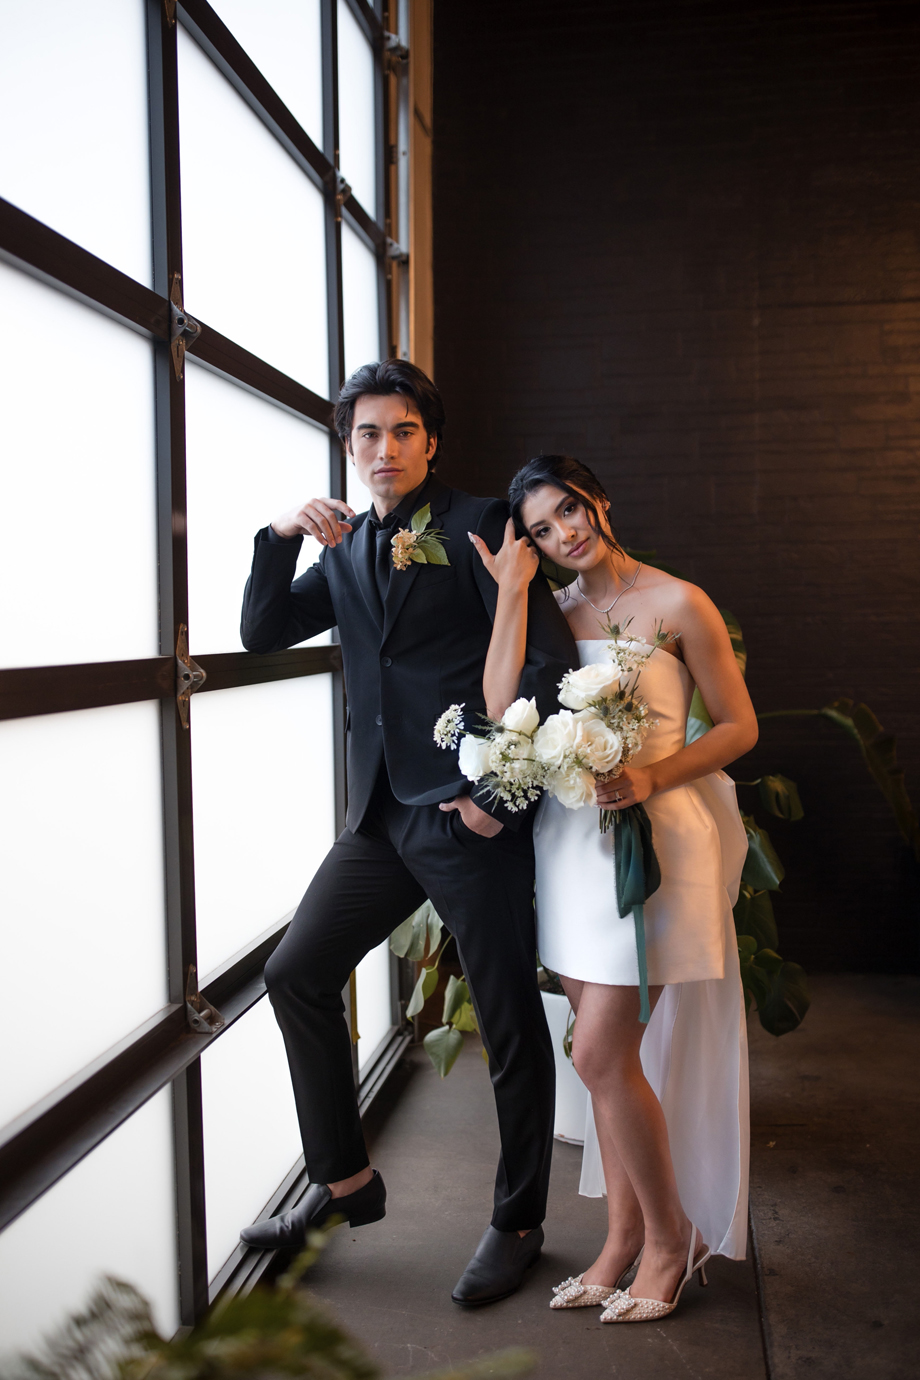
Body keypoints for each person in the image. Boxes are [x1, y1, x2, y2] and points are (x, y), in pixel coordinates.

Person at [238, 363, 578, 1305]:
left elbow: (543, 666)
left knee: (508, 1022)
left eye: (401, 431)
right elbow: (263, 629)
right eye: (366, 434)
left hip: (467, 817)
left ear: (430, 440)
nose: (383, 449)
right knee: (296, 973)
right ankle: (344, 1182)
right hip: (378, 817)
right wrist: (280, 534)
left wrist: (497, 800)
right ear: (348, 447)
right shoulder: (347, 546)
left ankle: (519, 1222)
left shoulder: (482, 524)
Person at [469, 453, 756, 1323]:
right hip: (572, 853)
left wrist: (653, 775)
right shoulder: (551, 613)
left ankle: (670, 1240)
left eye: (570, 509)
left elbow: (739, 725)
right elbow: (498, 707)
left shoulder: (680, 602)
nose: (565, 533)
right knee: (607, 1063)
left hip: (658, 847)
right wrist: (511, 595)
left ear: (598, 498)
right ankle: (622, 1239)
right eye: (543, 529)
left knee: (597, 1054)